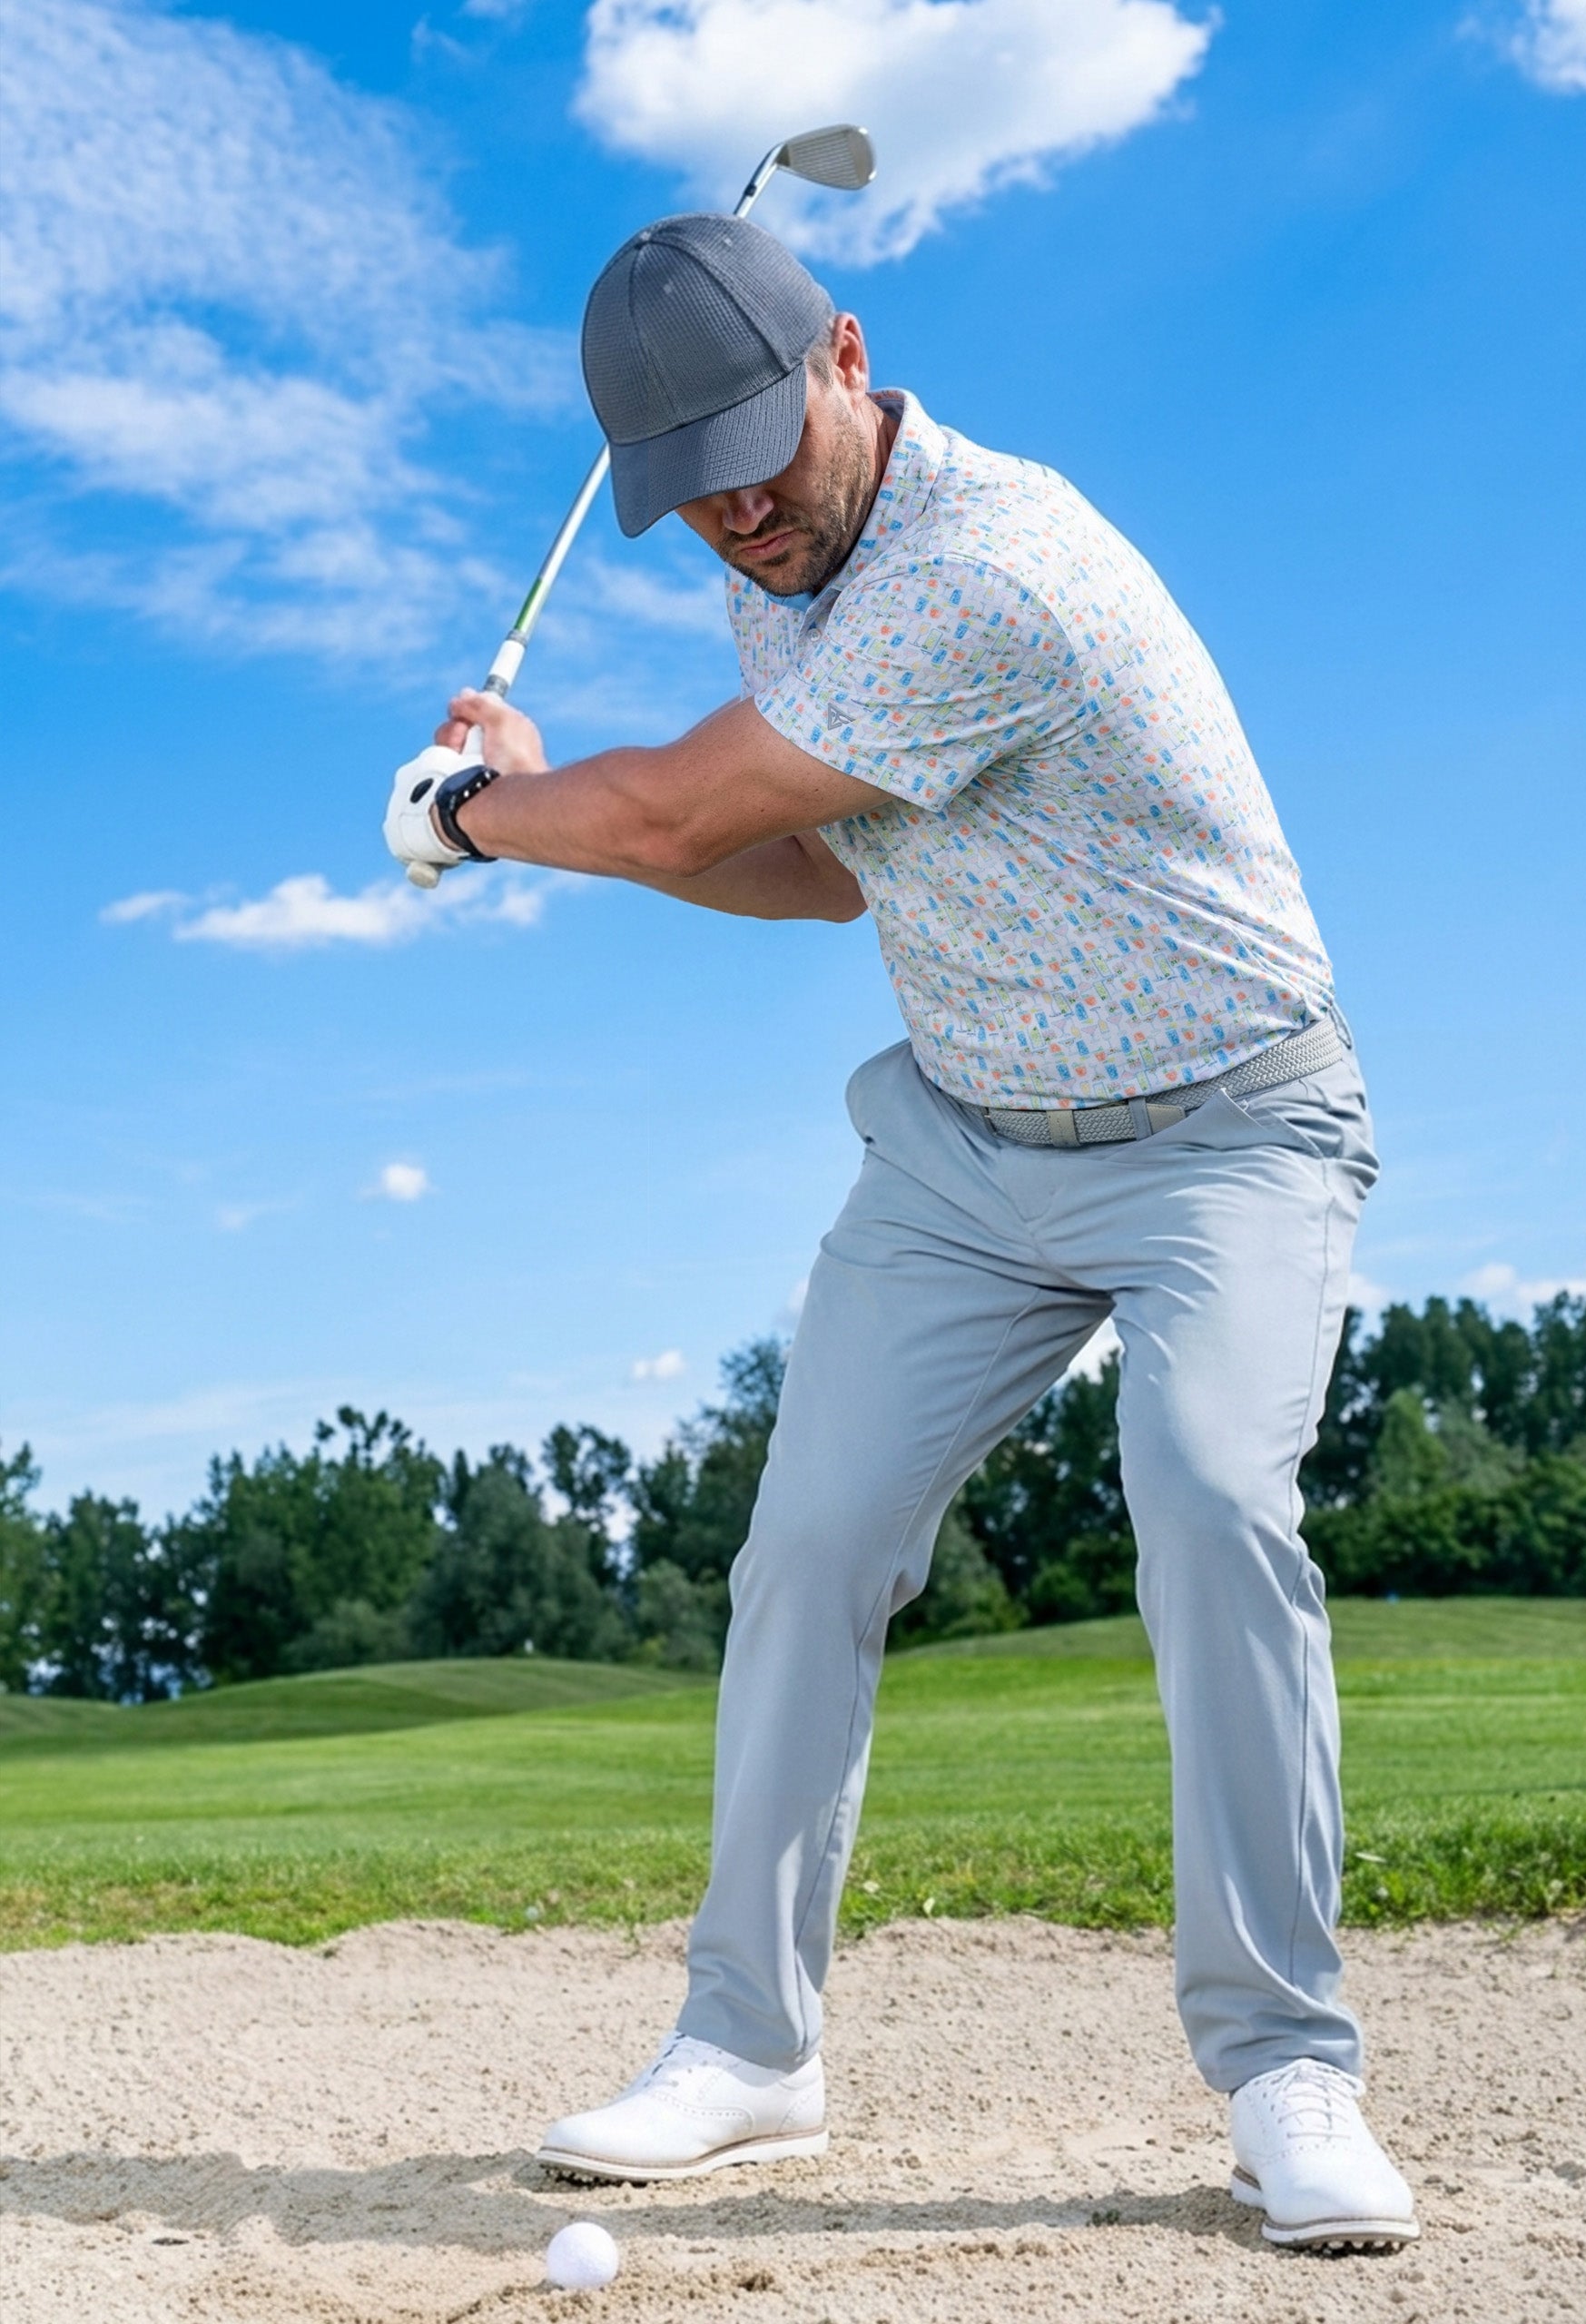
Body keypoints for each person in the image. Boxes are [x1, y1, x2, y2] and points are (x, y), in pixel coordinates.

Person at [385, 212, 1418, 2253]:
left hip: (1226, 1126)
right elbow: (818, 867)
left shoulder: (991, 565)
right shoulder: (782, 574)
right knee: (807, 1545)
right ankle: (747, 2043)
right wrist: (540, 814)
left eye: (761, 453)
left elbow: (681, 811)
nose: (740, 514)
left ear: (847, 355)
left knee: (1212, 1500)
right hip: (963, 1153)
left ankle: (1287, 2066)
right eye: (693, 493)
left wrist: (474, 814)